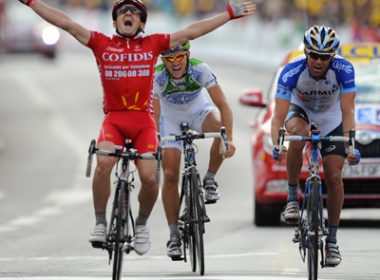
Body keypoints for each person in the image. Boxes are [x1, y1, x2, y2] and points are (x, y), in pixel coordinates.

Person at [18, 0, 255, 255]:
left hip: (143, 122)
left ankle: (141, 225)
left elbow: (191, 32)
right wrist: (32, 2)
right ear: (114, 21)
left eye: (134, 12)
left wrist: (228, 14)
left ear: (142, 23)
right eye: (123, 11)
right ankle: (100, 223)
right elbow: (65, 23)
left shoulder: (152, 45)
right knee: (104, 165)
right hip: (115, 120)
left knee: (151, 179)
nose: (128, 14)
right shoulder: (101, 43)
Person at [270, 25, 361, 267]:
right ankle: (292, 198)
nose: (318, 61)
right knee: (296, 134)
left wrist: (351, 144)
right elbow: (278, 117)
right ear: (306, 53)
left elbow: (348, 110)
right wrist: (278, 144)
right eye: (314, 55)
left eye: (324, 57)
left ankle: (331, 241)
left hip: (331, 117)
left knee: (333, 176)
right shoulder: (292, 71)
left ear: (332, 57)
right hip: (300, 111)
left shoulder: (344, 69)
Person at [152, 42, 236, 258]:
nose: (175, 63)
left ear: (188, 55)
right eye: (169, 59)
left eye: (179, 57)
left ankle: (209, 179)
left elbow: (223, 104)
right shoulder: (157, 77)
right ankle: (174, 235)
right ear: (163, 61)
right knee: (170, 174)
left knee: (221, 129)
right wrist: (156, 139)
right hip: (170, 118)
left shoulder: (200, 69)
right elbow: (155, 113)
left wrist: (230, 139)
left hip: (198, 111)